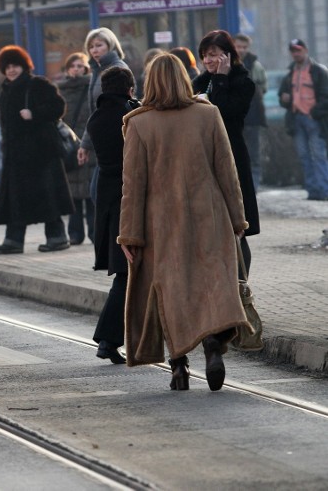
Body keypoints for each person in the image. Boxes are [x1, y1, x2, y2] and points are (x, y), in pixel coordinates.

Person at [118, 53, 250, 391]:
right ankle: (213, 344)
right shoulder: (208, 114)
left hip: (161, 225)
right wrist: (237, 219)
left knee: (171, 293)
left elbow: (132, 185)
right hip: (211, 215)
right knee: (213, 286)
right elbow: (226, 170)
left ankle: (178, 365)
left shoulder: (139, 123)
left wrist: (130, 236)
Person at [0, 45, 73, 255]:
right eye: (7, 67)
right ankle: (13, 240)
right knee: (15, 199)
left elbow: (58, 106)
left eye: (15, 65)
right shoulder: (5, 90)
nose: (11, 70)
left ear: (23, 65)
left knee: (47, 196)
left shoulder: (37, 84)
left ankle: (57, 237)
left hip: (41, 154)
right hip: (15, 155)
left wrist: (34, 113)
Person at [193, 29, 259, 273]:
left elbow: (223, 113)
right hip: (204, 161)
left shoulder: (243, 82)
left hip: (232, 159)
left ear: (227, 55)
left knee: (237, 227)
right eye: (204, 56)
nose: (208, 60)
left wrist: (221, 78)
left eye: (213, 55)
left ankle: (241, 286)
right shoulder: (200, 82)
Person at [86, 67, 140, 364]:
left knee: (126, 273)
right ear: (130, 88)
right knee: (127, 274)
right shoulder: (130, 116)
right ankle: (108, 340)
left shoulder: (96, 118)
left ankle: (113, 340)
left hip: (109, 203)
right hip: (129, 202)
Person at [77, 27, 132, 197]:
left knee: (101, 193)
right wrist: (85, 144)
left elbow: (124, 105)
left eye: (99, 45)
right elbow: (95, 111)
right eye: (91, 46)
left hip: (116, 139)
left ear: (110, 45)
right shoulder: (97, 70)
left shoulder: (117, 69)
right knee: (98, 193)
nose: (94, 50)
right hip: (103, 138)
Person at [279, 38, 328, 201]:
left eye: (298, 50)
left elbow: (325, 96)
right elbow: (282, 96)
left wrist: (315, 113)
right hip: (297, 119)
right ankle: (312, 190)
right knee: (304, 156)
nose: (296, 54)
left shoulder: (318, 71)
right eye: (293, 51)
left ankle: (323, 189)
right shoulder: (290, 73)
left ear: (305, 50)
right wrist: (284, 99)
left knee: (318, 155)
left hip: (313, 119)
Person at [56, 52, 94, 245]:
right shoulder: (60, 91)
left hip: (90, 144)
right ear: (67, 69)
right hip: (70, 147)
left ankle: (94, 233)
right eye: (73, 66)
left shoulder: (92, 88)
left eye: (80, 66)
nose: (76, 69)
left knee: (90, 195)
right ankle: (75, 234)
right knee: (73, 197)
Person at [234, 33, 268, 190]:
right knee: (235, 154)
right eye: (238, 46)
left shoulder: (255, 65)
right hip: (235, 118)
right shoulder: (227, 64)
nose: (241, 50)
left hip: (252, 116)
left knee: (253, 154)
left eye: (244, 47)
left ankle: (253, 186)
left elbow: (263, 87)